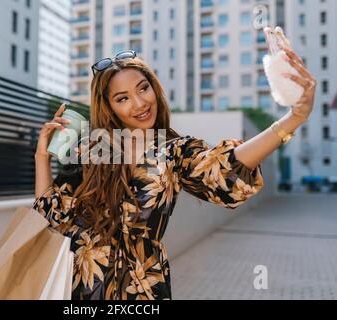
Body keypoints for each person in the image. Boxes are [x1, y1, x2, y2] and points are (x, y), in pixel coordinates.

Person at [32, 33, 316, 300]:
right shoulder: (94, 149)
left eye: (143, 88)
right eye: (123, 98)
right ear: (109, 107)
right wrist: (41, 157)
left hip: (143, 289)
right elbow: (55, 214)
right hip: (80, 287)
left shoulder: (173, 151)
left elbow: (224, 170)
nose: (140, 103)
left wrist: (292, 118)